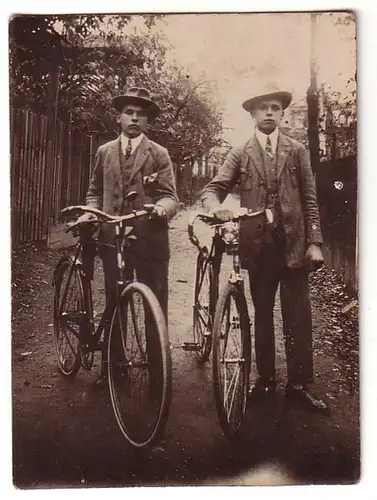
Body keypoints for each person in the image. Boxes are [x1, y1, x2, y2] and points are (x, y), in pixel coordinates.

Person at [201, 84, 328, 413]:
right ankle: (266, 379)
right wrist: (217, 208)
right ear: (252, 114)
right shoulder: (241, 152)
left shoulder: (297, 150)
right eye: (263, 108)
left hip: (294, 244)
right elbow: (214, 188)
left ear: (282, 113)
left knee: (297, 315)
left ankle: (299, 385)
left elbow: (310, 199)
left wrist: (314, 242)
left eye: (275, 107)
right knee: (261, 314)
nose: (269, 112)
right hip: (258, 247)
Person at [80, 86, 178, 325]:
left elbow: (170, 196)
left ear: (148, 121)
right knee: (115, 305)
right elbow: (94, 191)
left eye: (141, 114)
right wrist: (93, 213)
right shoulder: (105, 152)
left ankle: (157, 362)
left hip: (150, 240)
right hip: (112, 239)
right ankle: (114, 362)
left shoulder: (159, 154)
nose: (134, 118)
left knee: (154, 308)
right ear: (119, 116)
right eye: (129, 112)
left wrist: (162, 208)